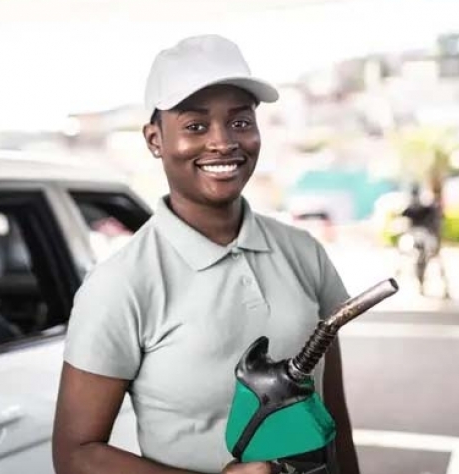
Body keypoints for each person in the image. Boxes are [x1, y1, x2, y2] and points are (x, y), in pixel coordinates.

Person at [52, 35, 360, 474]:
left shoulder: (304, 254)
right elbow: (75, 455)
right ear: (155, 139)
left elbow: (335, 423)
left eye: (239, 122)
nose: (223, 143)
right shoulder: (121, 284)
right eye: (195, 126)